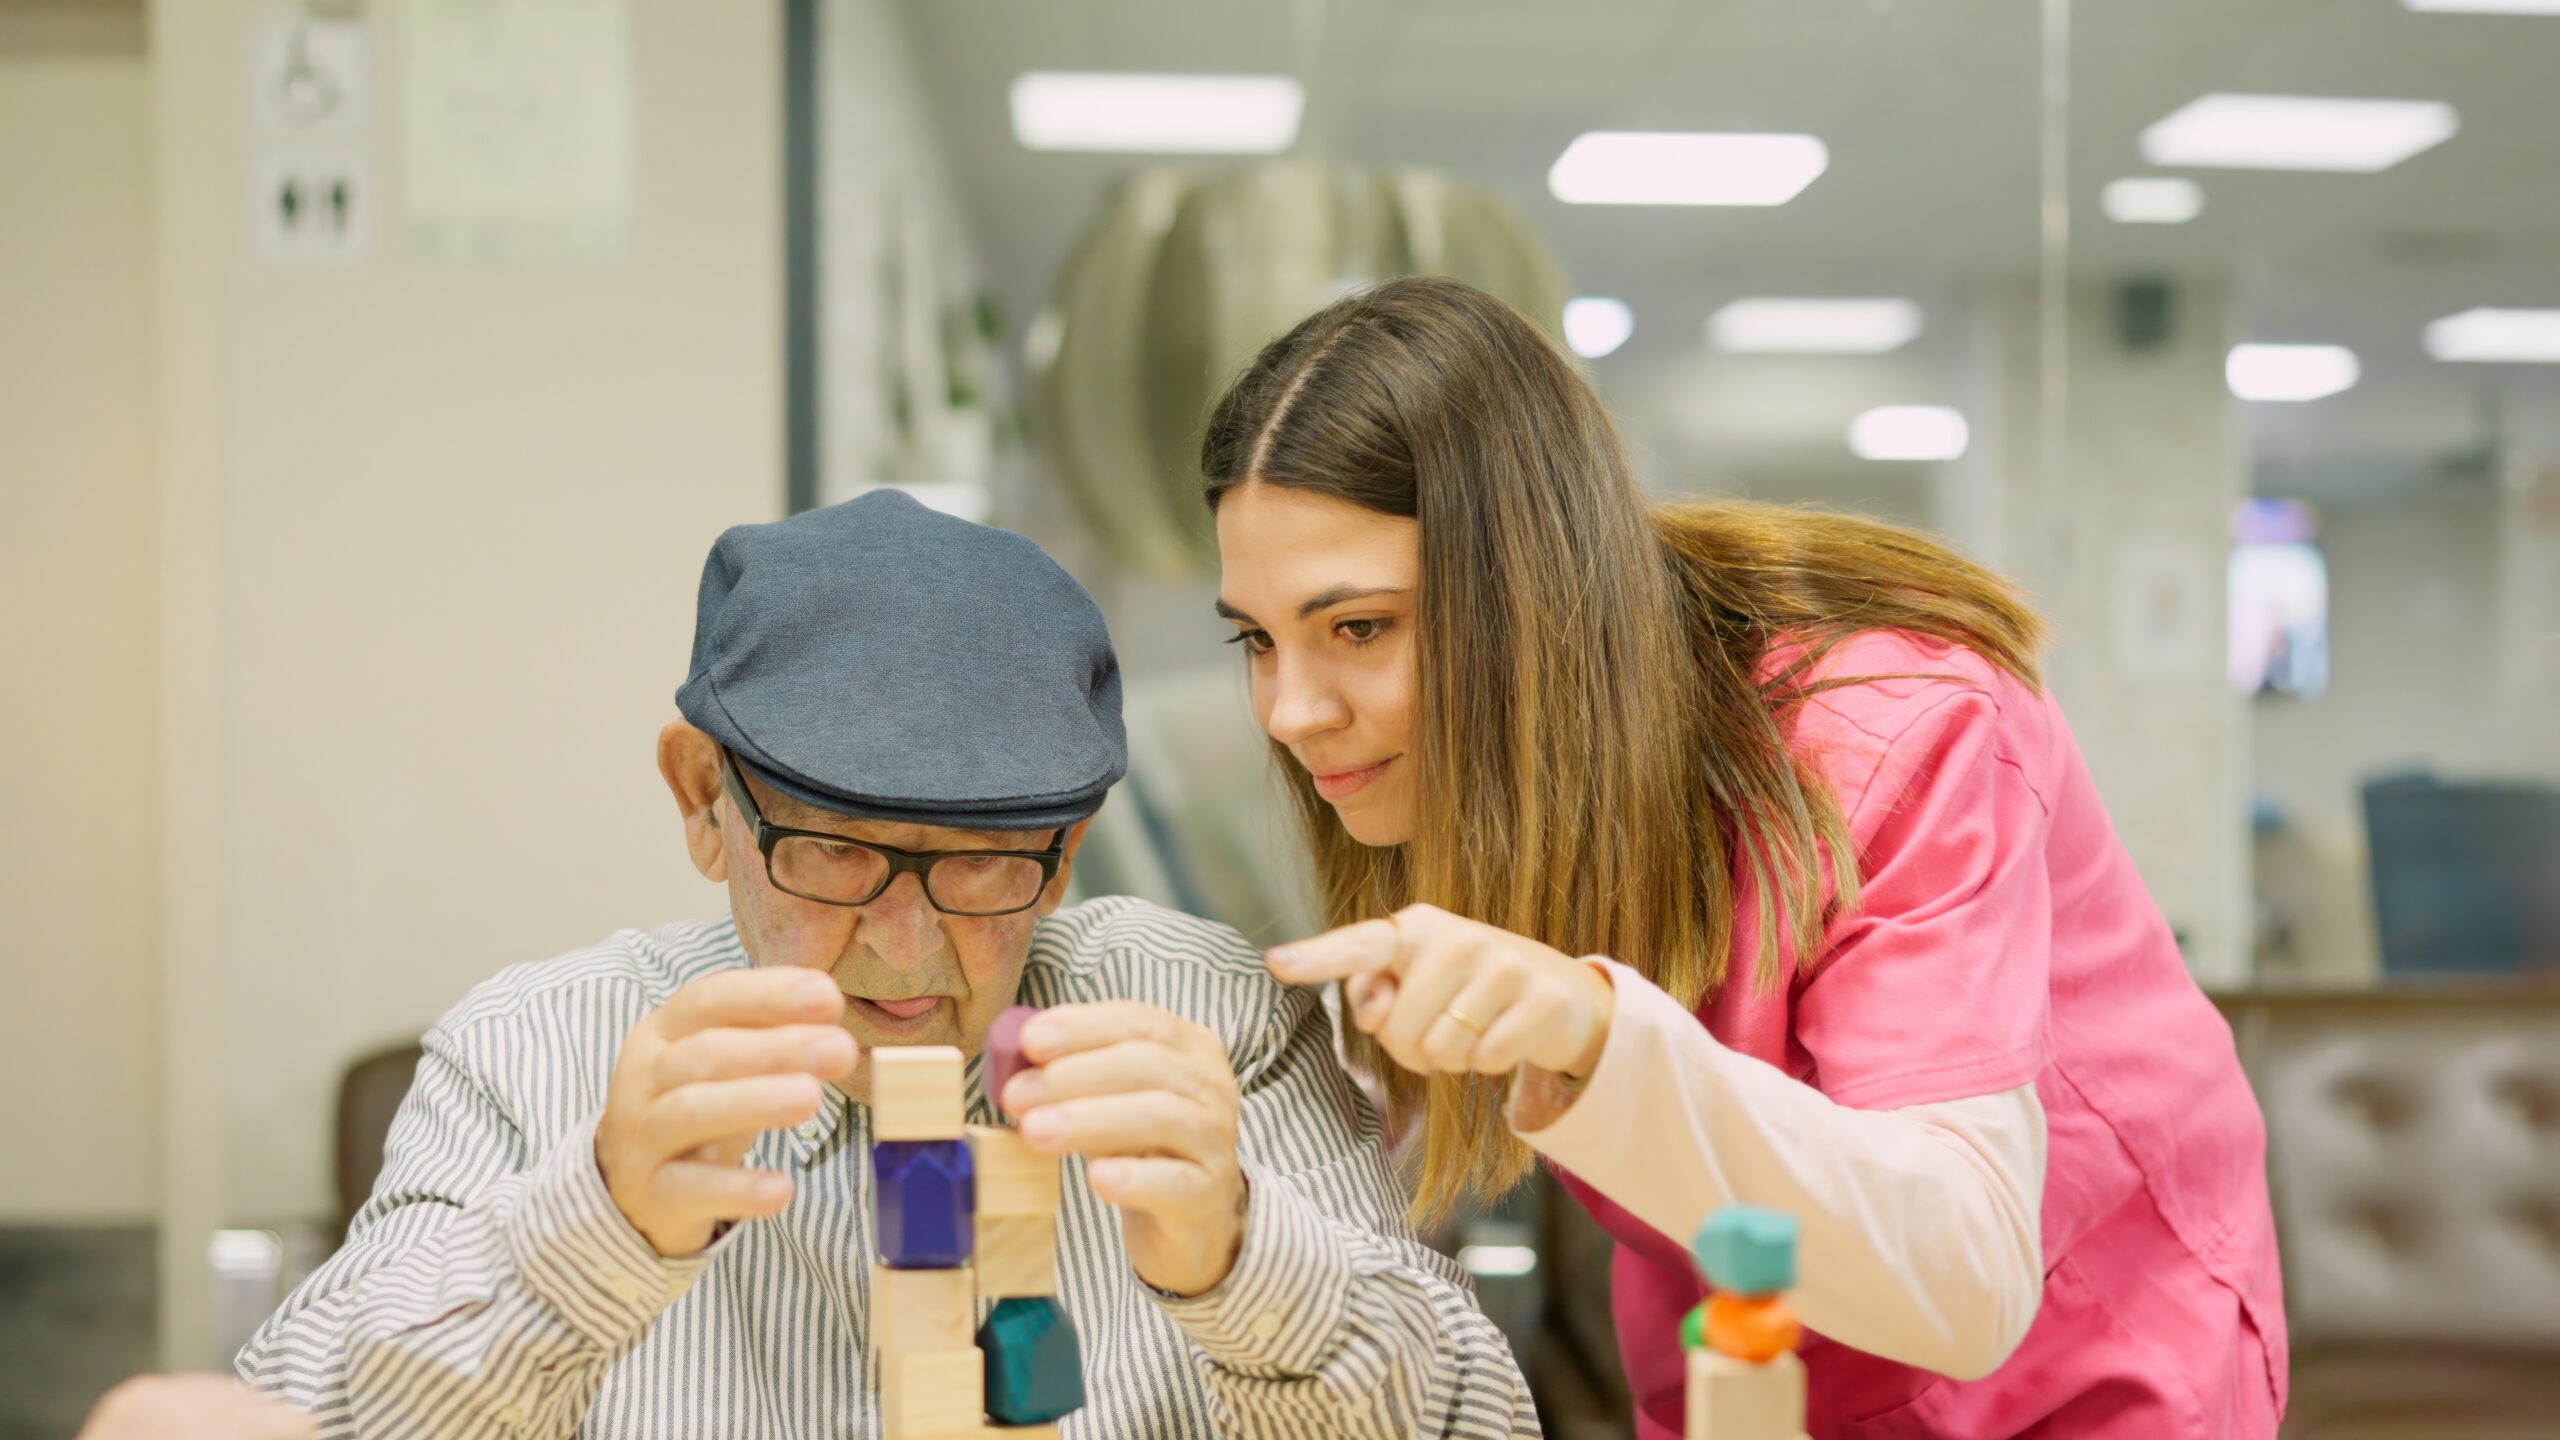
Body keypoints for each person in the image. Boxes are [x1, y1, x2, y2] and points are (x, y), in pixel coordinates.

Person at [1203, 276, 2286, 1439]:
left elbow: (1966, 1272)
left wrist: (1593, 1029)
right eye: (1258, 640)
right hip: (1754, 1370)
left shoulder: (1892, 728)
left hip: (2074, 1377)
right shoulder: (1461, 781)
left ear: (1526, 598)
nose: (1290, 710)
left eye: (1356, 627)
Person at [235, 491, 1538, 1438]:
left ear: (1069, 847)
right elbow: (294, 1414)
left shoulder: (1210, 1018)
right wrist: (593, 1228)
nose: (907, 949)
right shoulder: (530, 1050)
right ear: (703, 803)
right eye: (837, 853)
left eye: (983, 864)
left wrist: (1245, 1258)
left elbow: (1480, 1421)